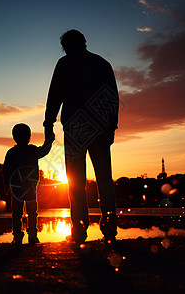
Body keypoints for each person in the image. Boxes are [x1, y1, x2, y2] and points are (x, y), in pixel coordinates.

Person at [43, 29, 119, 245]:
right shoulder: (102, 63)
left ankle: (79, 230)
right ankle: (110, 228)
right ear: (84, 43)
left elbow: (54, 96)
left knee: (76, 181)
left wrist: (48, 124)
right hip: (101, 125)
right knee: (105, 179)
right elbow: (113, 96)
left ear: (65, 46)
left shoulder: (65, 63)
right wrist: (112, 126)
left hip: (76, 126)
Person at [3, 123, 54, 245]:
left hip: (16, 188)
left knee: (17, 214)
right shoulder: (32, 150)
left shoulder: (11, 152)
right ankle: (32, 236)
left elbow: (6, 171)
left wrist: (6, 185)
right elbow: (45, 150)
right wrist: (50, 139)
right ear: (29, 136)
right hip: (30, 187)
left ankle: (17, 237)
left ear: (14, 137)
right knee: (32, 213)